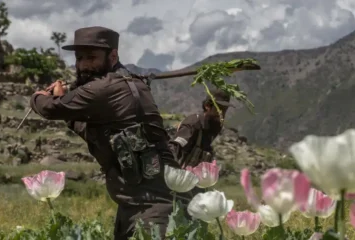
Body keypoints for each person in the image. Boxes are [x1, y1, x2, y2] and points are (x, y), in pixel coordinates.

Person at [29, 26, 181, 239]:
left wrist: (39, 96)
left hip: (152, 209)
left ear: (113, 56)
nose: (83, 65)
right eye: (79, 58)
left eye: (91, 58)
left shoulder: (104, 88)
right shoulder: (131, 85)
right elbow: (96, 133)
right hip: (134, 204)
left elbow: (49, 108)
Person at [168, 89, 234, 168]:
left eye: (225, 109)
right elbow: (173, 149)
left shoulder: (215, 127)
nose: (222, 113)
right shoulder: (193, 124)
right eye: (219, 108)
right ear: (207, 106)